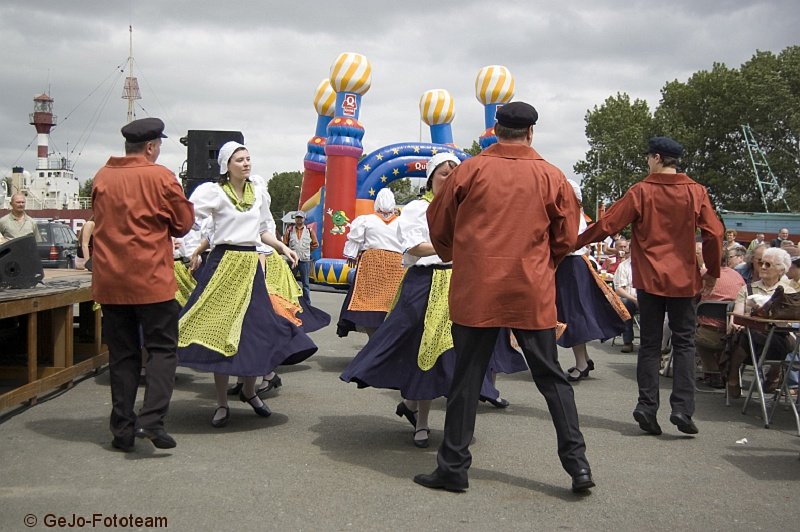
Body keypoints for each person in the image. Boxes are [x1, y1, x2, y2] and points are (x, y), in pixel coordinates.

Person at [418, 102, 594, 494]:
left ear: (496, 129)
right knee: (552, 378)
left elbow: (439, 222)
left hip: (477, 287)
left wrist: (453, 252)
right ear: (531, 133)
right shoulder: (552, 175)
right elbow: (567, 236)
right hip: (529, 289)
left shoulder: (470, 170)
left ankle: (453, 467)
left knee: (466, 378)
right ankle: (577, 466)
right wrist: (542, 261)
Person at [341, 152, 526, 449]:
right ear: (430, 178)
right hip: (425, 283)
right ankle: (421, 420)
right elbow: (416, 247)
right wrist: (457, 247)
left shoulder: (467, 206)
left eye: (455, 173)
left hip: (460, 282)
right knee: (422, 349)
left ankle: (423, 410)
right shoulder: (417, 208)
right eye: (443, 173)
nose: (450, 178)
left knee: (456, 352)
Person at [576, 136, 724, 436]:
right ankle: (682, 409)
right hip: (684, 280)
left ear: (657, 158)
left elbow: (607, 225)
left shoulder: (641, 191)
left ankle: (646, 406)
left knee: (651, 344)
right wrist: (713, 271)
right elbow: (714, 233)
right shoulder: (695, 191)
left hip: (650, 279)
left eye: (648, 158)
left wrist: (571, 243)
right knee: (683, 343)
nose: (647, 162)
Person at [179, 141, 317, 428]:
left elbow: (263, 230)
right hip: (223, 263)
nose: (245, 163)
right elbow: (188, 217)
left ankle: (250, 391)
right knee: (219, 331)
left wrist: (282, 247)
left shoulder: (258, 195)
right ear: (227, 166)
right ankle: (220, 403)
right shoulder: (215, 194)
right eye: (239, 159)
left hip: (249, 264)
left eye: (248, 158)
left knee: (255, 331)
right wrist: (189, 248)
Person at [91, 117, 194, 452]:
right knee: (163, 350)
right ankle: (151, 420)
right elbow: (182, 225)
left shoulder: (102, 177)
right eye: (159, 145)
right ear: (151, 146)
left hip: (111, 281)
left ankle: (122, 430)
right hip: (150, 280)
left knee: (122, 355)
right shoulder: (160, 176)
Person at [558, 179, 626, 381]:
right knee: (573, 313)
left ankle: (581, 362)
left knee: (574, 314)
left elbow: (567, 241)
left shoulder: (571, 213)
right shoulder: (574, 212)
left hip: (570, 265)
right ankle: (584, 359)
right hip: (571, 264)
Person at [725, 247, 796, 398]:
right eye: (761, 263)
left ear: (781, 269)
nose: (762, 267)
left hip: (777, 338)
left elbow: (790, 322)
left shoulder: (789, 292)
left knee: (768, 336)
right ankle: (773, 375)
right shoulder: (748, 288)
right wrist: (737, 321)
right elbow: (737, 314)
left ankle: (734, 377)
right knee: (747, 334)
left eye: (768, 265)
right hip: (750, 338)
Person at [337, 187, 404, 338]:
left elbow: (355, 240)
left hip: (372, 264)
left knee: (368, 304)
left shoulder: (366, 220)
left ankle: (373, 340)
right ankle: (383, 342)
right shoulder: (402, 223)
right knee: (390, 304)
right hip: (396, 265)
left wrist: (352, 254)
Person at [694, 253, 744, 388]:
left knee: (692, 332)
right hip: (733, 333)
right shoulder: (737, 276)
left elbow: (693, 293)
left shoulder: (705, 276)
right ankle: (718, 372)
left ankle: (713, 372)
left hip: (707, 334)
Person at [282, 210, 318, 303]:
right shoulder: (289, 230)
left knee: (305, 283)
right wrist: (289, 253)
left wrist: (307, 251)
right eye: (297, 217)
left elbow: (315, 244)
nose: (299, 219)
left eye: (300, 218)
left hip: (304, 260)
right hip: (292, 260)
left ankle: (307, 303)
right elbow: (284, 244)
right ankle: (290, 300)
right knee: (290, 281)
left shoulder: (309, 230)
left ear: (304, 219)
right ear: (295, 219)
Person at [613, 243, 637, 353]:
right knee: (626, 303)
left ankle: (655, 343)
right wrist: (634, 299)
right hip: (630, 298)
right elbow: (619, 290)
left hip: (647, 298)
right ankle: (628, 341)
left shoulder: (650, 265)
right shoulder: (624, 266)